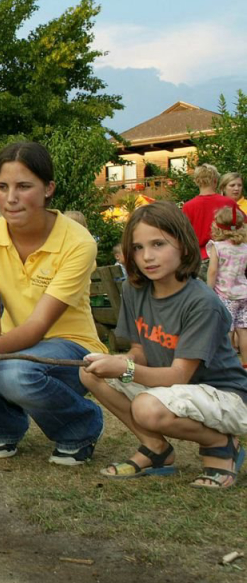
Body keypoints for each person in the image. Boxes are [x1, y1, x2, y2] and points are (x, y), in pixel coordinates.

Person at [0, 141, 106, 464]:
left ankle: (81, 426)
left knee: (14, 373)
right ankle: (6, 429)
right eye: (2, 187)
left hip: (73, 349)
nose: (11, 198)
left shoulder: (77, 242)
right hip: (12, 350)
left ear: (49, 189)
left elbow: (37, 326)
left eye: (24, 186)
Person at [81, 203, 247, 489]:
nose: (147, 257)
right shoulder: (135, 289)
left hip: (226, 397)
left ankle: (221, 444)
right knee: (89, 371)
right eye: (137, 247)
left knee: (147, 407)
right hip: (170, 390)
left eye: (158, 244)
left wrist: (125, 367)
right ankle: (155, 449)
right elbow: (140, 352)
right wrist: (116, 363)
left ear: (183, 245)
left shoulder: (202, 303)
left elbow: (179, 375)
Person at [205, 207, 247, 367]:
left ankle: (229, 364)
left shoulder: (217, 246)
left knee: (227, 330)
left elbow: (213, 271)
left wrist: (209, 291)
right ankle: (245, 363)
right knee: (243, 330)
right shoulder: (244, 247)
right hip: (244, 293)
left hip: (225, 295)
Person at [182, 164, 241, 260]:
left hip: (200, 257)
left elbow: (184, 236)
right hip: (226, 255)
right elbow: (241, 226)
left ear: (196, 182)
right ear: (215, 181)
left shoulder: (188, 206)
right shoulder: (228, 203)